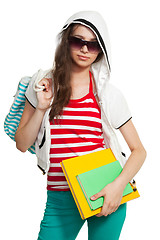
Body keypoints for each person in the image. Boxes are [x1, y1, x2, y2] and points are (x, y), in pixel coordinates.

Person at [15, 11, 146, 240]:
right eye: (79, 41)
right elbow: (22, 144)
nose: (85, 49)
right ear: (66, 42)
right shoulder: (41, 85)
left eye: (94, 45)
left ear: (101, 51)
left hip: (105, 192)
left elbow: (139, 151)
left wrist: (117, 187)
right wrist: (42, 108)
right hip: (59, 200)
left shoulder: (107, 94)